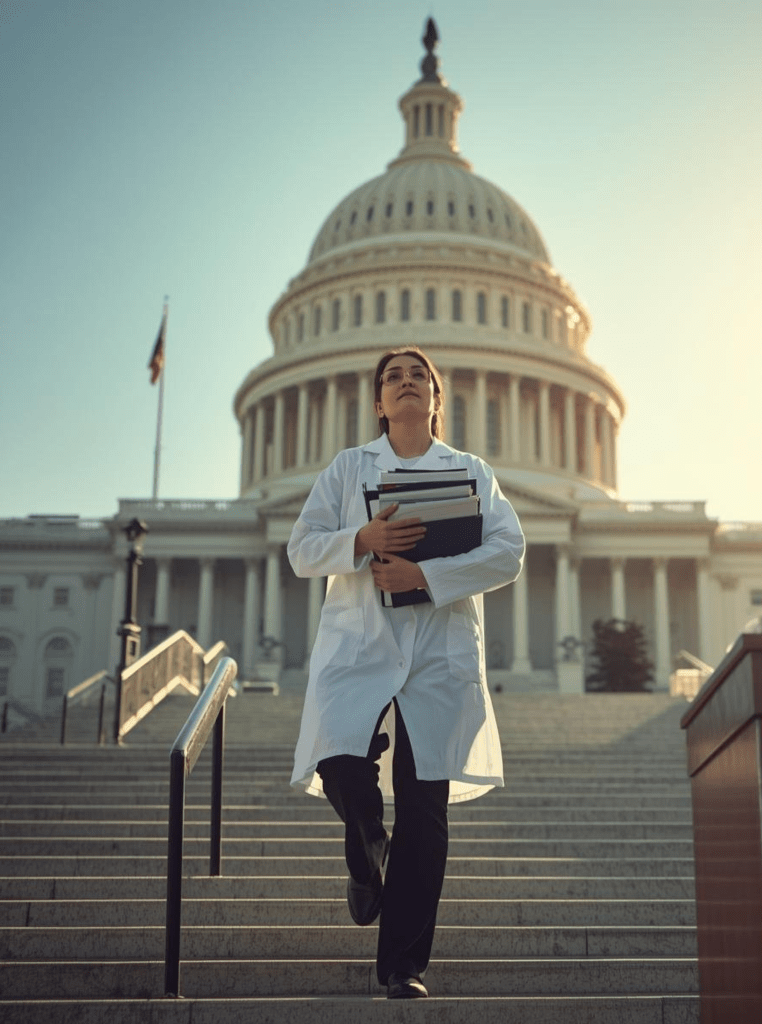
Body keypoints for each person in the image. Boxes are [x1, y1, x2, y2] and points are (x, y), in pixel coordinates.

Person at [287, 347, 524, 999]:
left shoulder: (471, 471)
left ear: (436, 400)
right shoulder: (347, 470)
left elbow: (508, 552)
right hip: (361, 645)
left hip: (437, 653)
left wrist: (428, 575)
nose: (407, 383)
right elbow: (302, 550)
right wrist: (362, 542)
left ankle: (403, 966)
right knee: (341, 764)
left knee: (425, 810)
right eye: (393, 377)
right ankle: (367, 850)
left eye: (420, 376)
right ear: (378, 403)